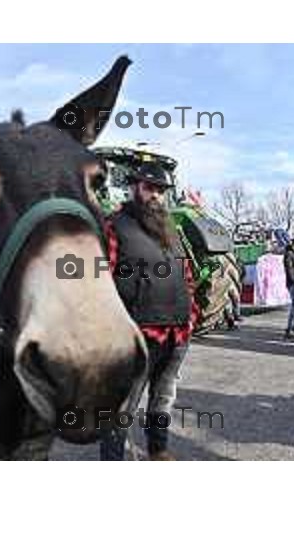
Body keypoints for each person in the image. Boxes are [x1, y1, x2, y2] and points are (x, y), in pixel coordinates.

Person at [100, 161, 198, 461]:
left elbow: (187, 274)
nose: (155, 195)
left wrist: (191, 315)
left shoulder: (171, 227)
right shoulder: (114, 226)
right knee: (122, 407)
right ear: (134, 188)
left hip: (177, 331)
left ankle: (158, 450)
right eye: (149, 188)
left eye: (160, 190)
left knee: (163, 398)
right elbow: (100, 281)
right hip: (137, 333)